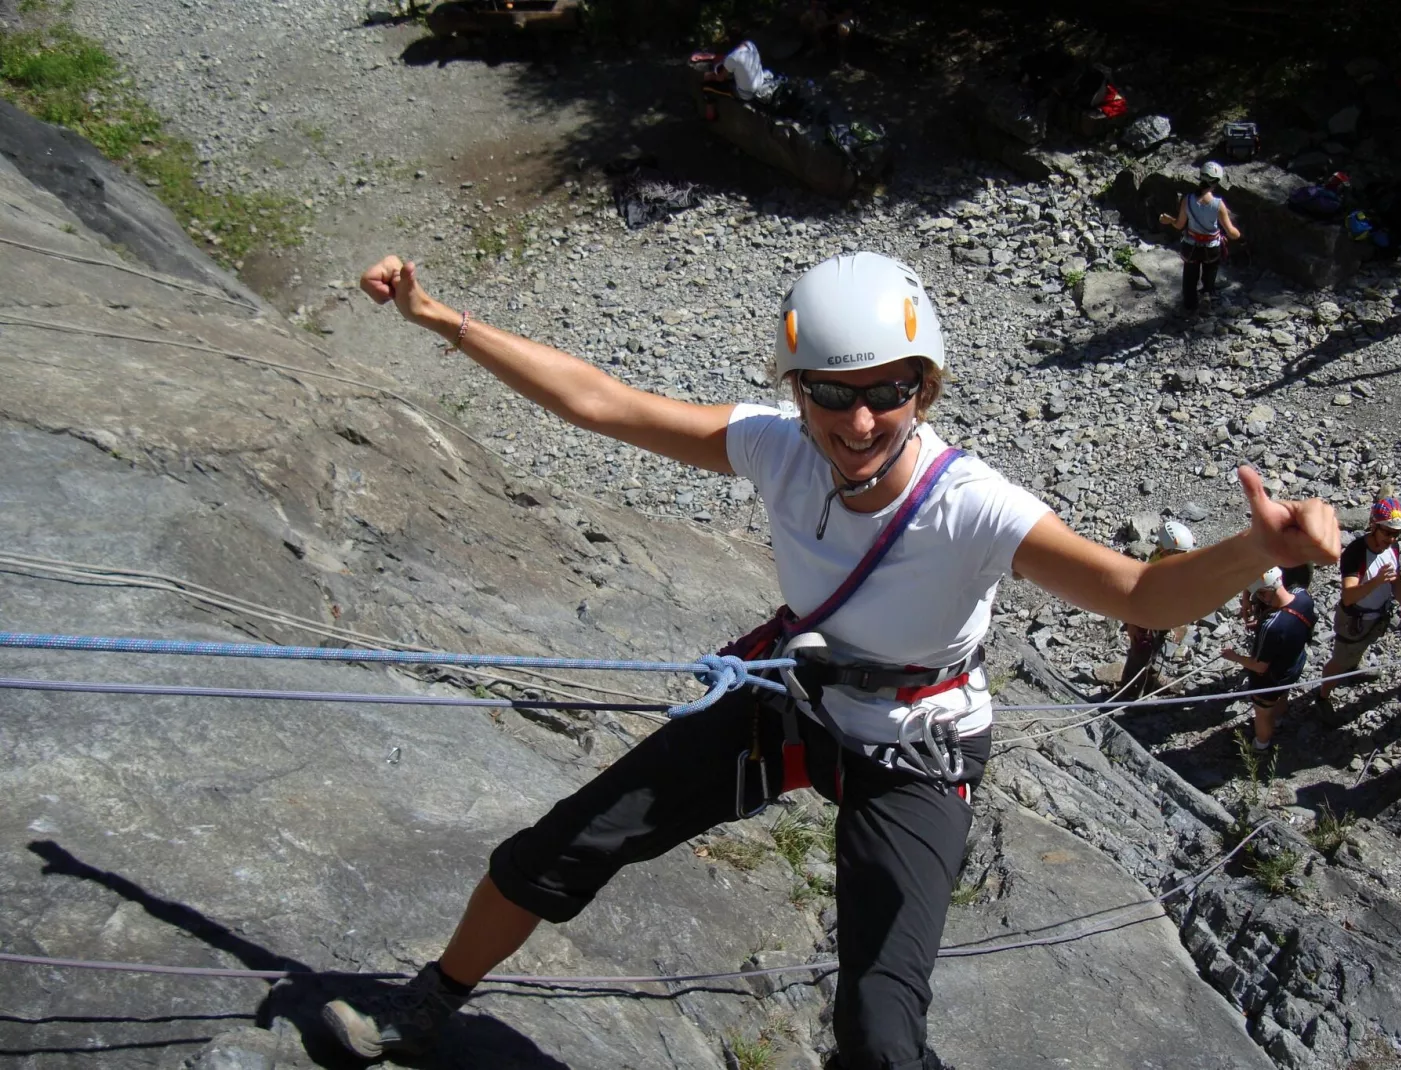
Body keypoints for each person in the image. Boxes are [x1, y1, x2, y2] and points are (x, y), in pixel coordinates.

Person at [322, 251, 1340, 1069]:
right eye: (830, 394)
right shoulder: (776, 445)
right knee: (558, 847)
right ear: (797, 390)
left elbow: (1135, 592)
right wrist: (440, 318)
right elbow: (599, 401)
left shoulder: (968, 502)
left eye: (887, 391)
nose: (858, 422)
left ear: (925, 386)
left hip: (919, 740)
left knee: (880, 1033)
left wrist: (1257, 550)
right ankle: (428, 1003)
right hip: (794, 699)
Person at [1314, 496, 1401, 718]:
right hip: (1354, 619)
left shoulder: (1393, 547)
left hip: (1376, 616)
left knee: (1360, 648)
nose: (1391, 538)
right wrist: (1376, 581)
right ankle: (1322, 695)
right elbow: (1348, 596)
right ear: (1374, 526)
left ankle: (1353, 669)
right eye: (1387, 532)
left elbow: (1396, 585)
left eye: (1395, 533)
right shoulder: (1356, 552)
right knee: (1339, 660)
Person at [1221, 567, 1317, 751]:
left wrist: (1234, 657)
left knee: (1262, 713)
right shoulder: (1303, 595)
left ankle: (1260, 745)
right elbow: (1293, 619)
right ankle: (1279, 720)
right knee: (1282, 694)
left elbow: (1260, 666)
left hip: (1270, 679)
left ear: (1265, 594)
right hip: (1295, 664)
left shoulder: (1271, 626)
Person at [1119, 520, 1195, 696]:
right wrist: (1132, 625)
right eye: (1179, 552)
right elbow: (1137, 598)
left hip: (1158, 618)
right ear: (1168, 550)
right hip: (1144, 622)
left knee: (1151, 651)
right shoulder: (1153, 571)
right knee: (1140, 655)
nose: (1184, 556)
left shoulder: (1167, 559)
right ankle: (1129, 695)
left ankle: (1146, 678)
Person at [1159, 161, 1241, 313]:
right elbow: (1232, 233)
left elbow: (1179, 225)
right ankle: (1207, 296)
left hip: (1191, 246)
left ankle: (1189, 306)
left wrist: (1169, 220)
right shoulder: (1218, 204)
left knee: (1190, 277)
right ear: (1216, 182)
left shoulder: (1188, 199)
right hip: (1212, 248)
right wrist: (1238, 233)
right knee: (1209, 274)